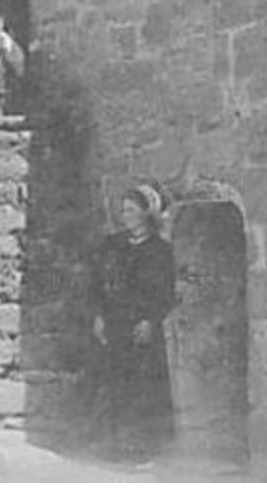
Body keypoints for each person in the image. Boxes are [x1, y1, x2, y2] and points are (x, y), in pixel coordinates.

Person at [89, 182, 176, 463]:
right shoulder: (112, 245)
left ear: (146, 213)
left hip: (143, 327)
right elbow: (98, 284)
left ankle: (144, 450)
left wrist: (151, 319)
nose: (124, 215)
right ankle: (115, 445)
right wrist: (100, 316)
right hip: (115, 323)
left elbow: (165, 291)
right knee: (115, 384)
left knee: (144, 387)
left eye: (131, 210)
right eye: (122, 211)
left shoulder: (160, 250)